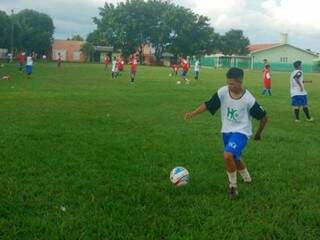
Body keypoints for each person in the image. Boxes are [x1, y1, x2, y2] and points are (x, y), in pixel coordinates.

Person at [184, 67, 268, 199]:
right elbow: (208, 105)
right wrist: (193, 113)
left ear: (240, 81)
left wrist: (258, 133)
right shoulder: (223, 92)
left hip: (241, 132)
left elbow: (264, 117)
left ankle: (233, 187)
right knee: (234, 157)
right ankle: (247, 178)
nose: (229, 86)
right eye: (228, 83)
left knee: (228, 155)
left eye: (232, 84)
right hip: (226, 132)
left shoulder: (248, 99)